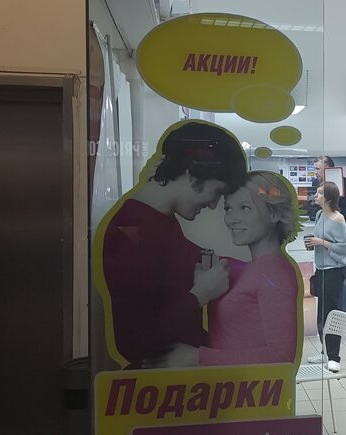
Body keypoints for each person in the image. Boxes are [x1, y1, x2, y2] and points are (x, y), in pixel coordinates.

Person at [97, 121, 247, 367]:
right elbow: (134, 343)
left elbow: (179, 256)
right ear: (193, 176)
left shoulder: (157, 220)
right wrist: (201, 294)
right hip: (164, 383)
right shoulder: (132, 229)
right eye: (217, 192)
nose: (213, 205)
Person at [193, 172, 303, 366]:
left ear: (274, 213)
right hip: (230, 382)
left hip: (248, 385)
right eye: (228, 209)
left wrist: (196, 357)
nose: (232, 219)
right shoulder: (248, 268)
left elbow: (281, 356)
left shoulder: (274, 273)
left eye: (244, 208)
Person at [305, 182, 346, 373]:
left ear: (329, 198)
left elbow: (344, 248)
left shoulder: (338, 219)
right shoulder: (319, 215)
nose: (316, 195)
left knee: (332, 314)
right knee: (321, 314)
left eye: (320, 193)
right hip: (321, 269)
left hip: (334, 271)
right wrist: (314, 244)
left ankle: (334, 357)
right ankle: (324, 351)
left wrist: (321, 242)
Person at [308, 156, 346, 311]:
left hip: (337, 236)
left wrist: (332, 211)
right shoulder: (316, 186)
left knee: (339, 282)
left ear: (328, 169)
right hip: (322, 256)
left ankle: (343, 313)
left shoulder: (343, 184)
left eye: (318, 169)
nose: (315, 172)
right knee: (324, 298)